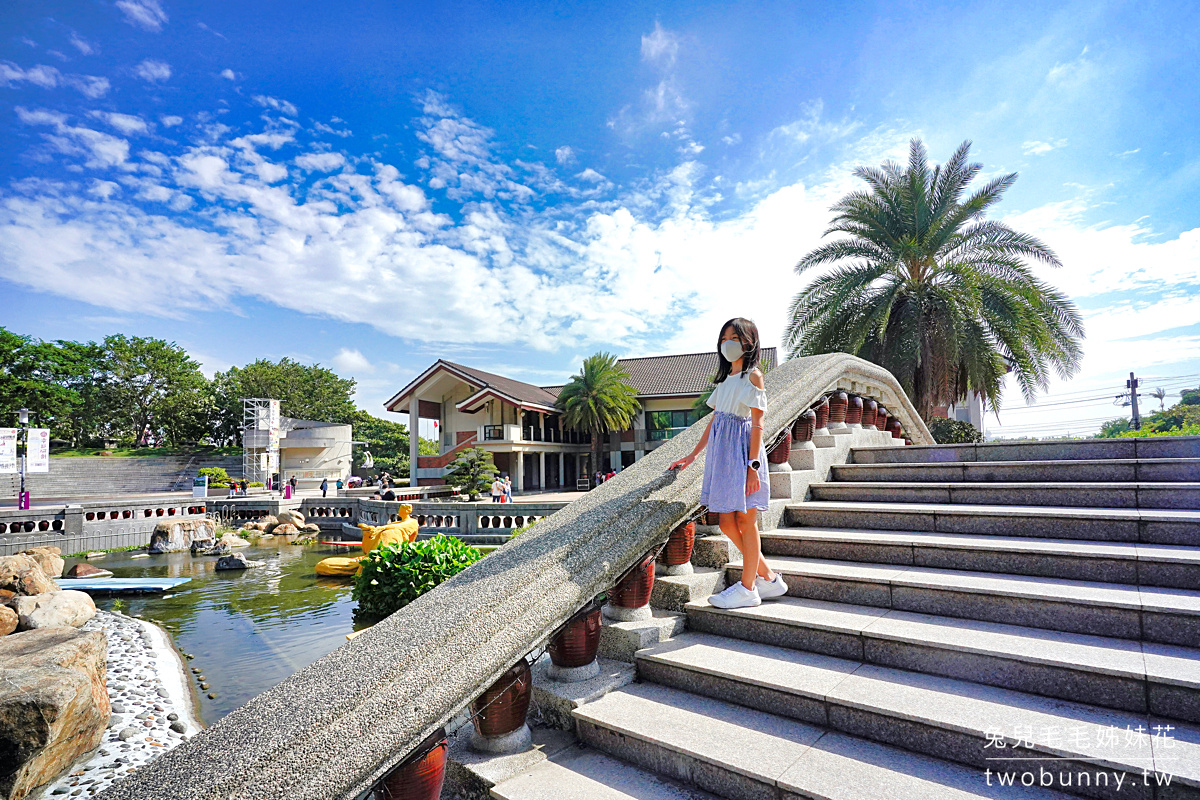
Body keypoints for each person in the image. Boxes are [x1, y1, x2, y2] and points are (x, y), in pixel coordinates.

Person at [668, 317, 784, 610]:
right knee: (726, 521)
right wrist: (692, 455)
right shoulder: (725, 380)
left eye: (733, 338)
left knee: (746, 520)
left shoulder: (753, 376)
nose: (727, 344)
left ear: (748, 341)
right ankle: (768, 578)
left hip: (743, 453)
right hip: (722, 453)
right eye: (723, 339)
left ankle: (748, 588)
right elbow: (715, 421)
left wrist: (753, 467)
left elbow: (758, 425)